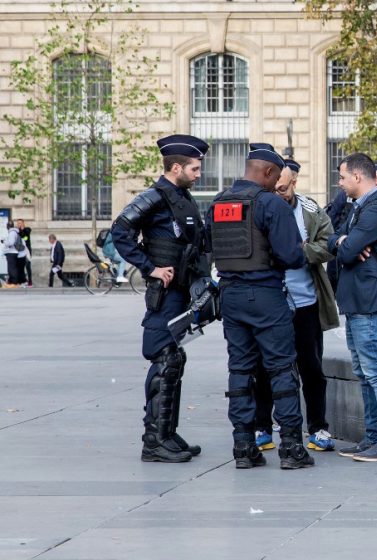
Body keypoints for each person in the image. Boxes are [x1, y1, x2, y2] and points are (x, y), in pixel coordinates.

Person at [207, 143, 313, 470]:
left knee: (240, 369)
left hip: (230, 296)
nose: (277, 184)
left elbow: (209, 248)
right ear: (267, 172)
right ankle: (292, 448)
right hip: (265, 294)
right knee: (281, 368)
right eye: (276, 177)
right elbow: (292, 256)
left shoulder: (218, 203)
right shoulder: (270, 204)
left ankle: (244, 446)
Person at [111, 134, 209, 463]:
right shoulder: (154, 196)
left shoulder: (183, 197)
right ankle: (153, 440)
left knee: (173, 359)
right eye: (194, 168)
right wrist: (149, 267)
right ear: (176, 167)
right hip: (164, 294)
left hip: (182, 291)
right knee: (164, 358)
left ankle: (166, 433)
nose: (199, 174)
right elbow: (120, 230)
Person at [253, 158, 340, 454]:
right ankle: (262, 428)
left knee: (312, 369)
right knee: (264, 369)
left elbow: (329, 245)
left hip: (306, 304)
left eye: (285, 187)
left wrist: (300, 251)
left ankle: (318, 428)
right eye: (275, 187)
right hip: (270, 304)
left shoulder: (311, 210)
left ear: (294, 183)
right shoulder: (259, 206)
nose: (280, 192)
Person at [328, 153, 377, 462]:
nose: (340, 182)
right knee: (364, 372)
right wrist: (344, 240)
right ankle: (372, 437)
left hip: (370, 302)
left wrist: (346, 244)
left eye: (343, 177)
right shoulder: (360, 208)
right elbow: (334, 238)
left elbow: (345, 254)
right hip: (358, 301)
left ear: (358, 177)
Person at [3, 222, 26, 287]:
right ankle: (12, 281)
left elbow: (11, 243)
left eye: (7, 225)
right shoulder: (14, 232)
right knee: (12, 268)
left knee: (12, 268)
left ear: (8, 226)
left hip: (11, 252)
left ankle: (14, 282)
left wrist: (4, 241)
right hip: (13, 252)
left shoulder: (12, 233)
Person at [16, 219, 32, 286]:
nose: (18, 224)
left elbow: (25, 237)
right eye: (17, 223)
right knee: (20, 267)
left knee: (27, 266)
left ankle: (30, 282)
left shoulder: (27, 229)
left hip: (27, 251)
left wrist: (22, 230)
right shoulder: (17, 231)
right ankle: (22, 281)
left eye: (20, 223)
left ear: (23, 223)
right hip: (20, 251)